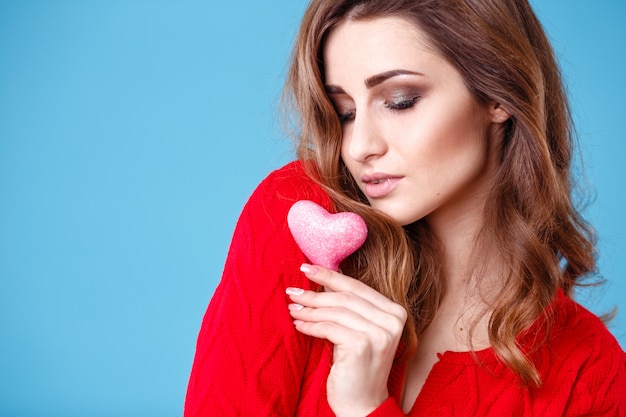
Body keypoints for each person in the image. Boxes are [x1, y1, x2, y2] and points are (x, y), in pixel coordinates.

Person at [184, 0, 626, 415]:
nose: (359, 147)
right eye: (344, 111)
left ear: (499, 95)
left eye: (400, 102)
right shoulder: (300, 216)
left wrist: (365, 407)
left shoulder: (593, 375)